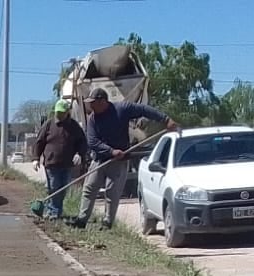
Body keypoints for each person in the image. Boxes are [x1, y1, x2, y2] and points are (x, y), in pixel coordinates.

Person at [73, 86, 179, 229]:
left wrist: (165, 119)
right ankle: (81, 219)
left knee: (112, 191)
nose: (90, 105)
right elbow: (92, 141)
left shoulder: (121, 109)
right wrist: (111, 151)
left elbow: (144, 110)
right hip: (99, 159)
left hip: (119, 161)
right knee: (89, 188)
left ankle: (107, 222)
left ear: (102, 101)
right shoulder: (92, 118)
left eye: (92, 102)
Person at [30, 99, 87, 220]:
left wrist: (79, 154)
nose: (59, 115)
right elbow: (39, 142)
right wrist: (35, 158)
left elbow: (82, 142)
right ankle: (53, 212)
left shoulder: (74, 126)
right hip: (51, 163)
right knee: (54, 187)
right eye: (57, 112)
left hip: (67, 164)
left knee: (63, 188)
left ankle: (56, 211)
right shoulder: (49, 124)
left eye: (62, 112)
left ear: (67, 112)